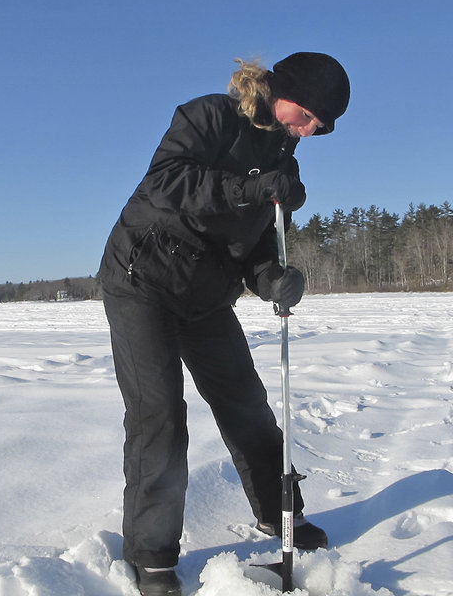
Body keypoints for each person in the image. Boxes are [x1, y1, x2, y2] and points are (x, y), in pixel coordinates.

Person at [97, 52, 350, 596]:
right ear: (283, 91)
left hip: (206, 293)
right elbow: (166, 184)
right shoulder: (209, 116)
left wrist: (272, 280)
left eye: (321, 127)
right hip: (142, 276)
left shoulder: (286, 160)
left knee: (246, 404)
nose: (312, 130)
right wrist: (249, 187)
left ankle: (279, 516)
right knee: (159, 413)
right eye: (309, 115)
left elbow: (256, 247)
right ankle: (152, 555)